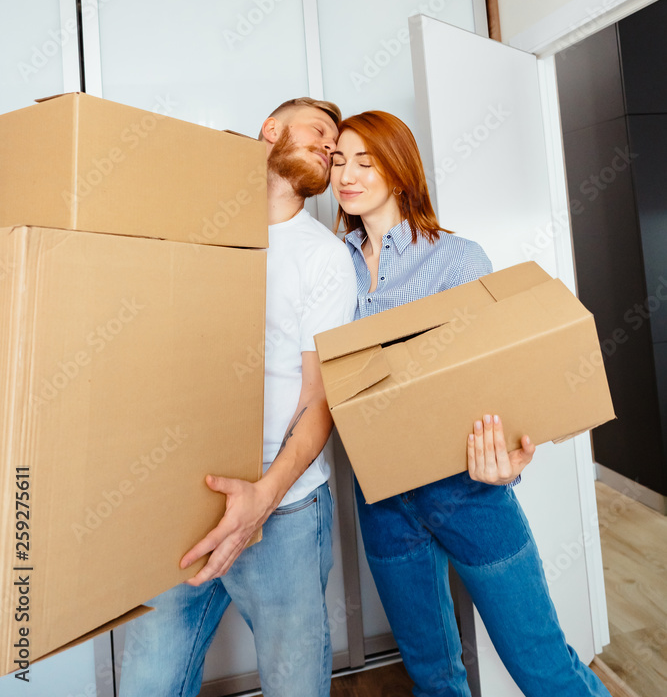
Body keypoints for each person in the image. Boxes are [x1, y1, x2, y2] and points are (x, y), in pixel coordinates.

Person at [329, 109, 611, 697]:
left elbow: (498, 372)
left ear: (399, 169)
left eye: (365, 160)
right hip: (382, 496)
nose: (347, 175)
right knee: (433, 676)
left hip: (467, 489)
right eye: (338, 161)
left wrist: (509, 455)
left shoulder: (454, 258)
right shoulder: (334, 266)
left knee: (543, 666)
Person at [119, 97, 357, 697]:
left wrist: (263, 498)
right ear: (271, 131)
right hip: (185, 502)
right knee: (150, 681)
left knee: (294, 685)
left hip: (287, 511)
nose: (330, 146)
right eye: (320, 130)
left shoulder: (324, 257)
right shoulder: (197, 232)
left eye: (336, 144)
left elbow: (320, 398)